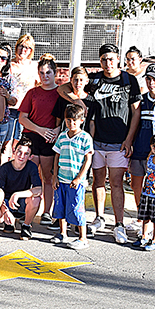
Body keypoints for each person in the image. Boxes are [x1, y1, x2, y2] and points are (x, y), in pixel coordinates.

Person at [59, 43, 141, 243]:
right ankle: (99, 218)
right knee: (97, 182)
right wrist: (77, 101)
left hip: (118, 142)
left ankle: (119, 224)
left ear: (118, 60)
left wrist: (129, 139)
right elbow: (63, 87)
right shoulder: (94, 78)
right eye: (103, 59)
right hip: (95, 142)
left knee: (116, 183)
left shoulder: (129, 80)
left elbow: (136, 111)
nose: (107, 63)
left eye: (111, 59)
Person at [128, 63, 155, 236]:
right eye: (148, 79)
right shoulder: (142, 100)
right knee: (136, 184)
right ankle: (142, 218)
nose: (151, 82)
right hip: (140, 148)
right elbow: (135, 123)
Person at [18, 54, 60, 227]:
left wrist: (55, 131)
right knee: (30, 175)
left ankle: (47, 212)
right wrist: (40, 130)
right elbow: (23, 118)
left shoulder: (61, 92)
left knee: (48, 177)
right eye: (42, 73)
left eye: (48, 72)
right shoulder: (32, 92)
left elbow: (66, 118)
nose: (45, 76)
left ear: (55, 73)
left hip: (51, 138)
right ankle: (25, 209)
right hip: (33, 136)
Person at [50, 104, 94, 250]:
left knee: (76, 207)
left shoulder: (85, 138)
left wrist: (79, 177)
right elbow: (57, 156)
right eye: (69, 120)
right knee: (60, 206)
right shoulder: (62, 136)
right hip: (61, 178)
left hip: (76, 181)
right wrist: (55, 175)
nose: (71, 123)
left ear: (81, 120)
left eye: (75, 120)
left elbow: (88, 160)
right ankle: (63, 233)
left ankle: (83, 238)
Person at [0, 137, 41, 240]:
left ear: (30, 157)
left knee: (36, 199)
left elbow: (39, 189)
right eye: (19, 152)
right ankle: (9, 222)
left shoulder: (32, 167)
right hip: (6, 202)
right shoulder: (5, 168)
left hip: (21, 201)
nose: (21, 156)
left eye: (26, 154)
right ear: (14, 152)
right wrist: (6, 211)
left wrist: (17, 194)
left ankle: (26, 226)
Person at [7, 34, 39, 143]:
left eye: (27, 47)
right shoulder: (9, 65)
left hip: (26, 109)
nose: (23, 50)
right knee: (7, 141)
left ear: (31, 50)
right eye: (21, 46)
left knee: (20, 141)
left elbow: (39, 84)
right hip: (11, 107)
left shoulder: (34, 66)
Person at [0, 44, 18, 154]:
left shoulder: (9, 79)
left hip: (3, 120)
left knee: (0, 150)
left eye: (3, 58)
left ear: (6, 62)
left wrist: (7, 95)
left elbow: (14, 101)